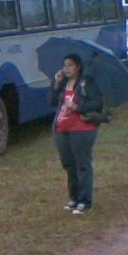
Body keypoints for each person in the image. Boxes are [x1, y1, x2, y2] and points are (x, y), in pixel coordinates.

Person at [50, 53, 104, 215]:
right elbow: (51, 102)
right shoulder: (62, 82)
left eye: (70, 65)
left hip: (82, 129)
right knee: (69, 165)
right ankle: (74, 197)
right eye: (65, 65)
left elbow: (97, 103)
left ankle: (85, 200)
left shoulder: (86, 83)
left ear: (78, 67)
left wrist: (77, 107)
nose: (67, 69)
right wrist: (56, 85)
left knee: (82, 164)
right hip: (62, 129)